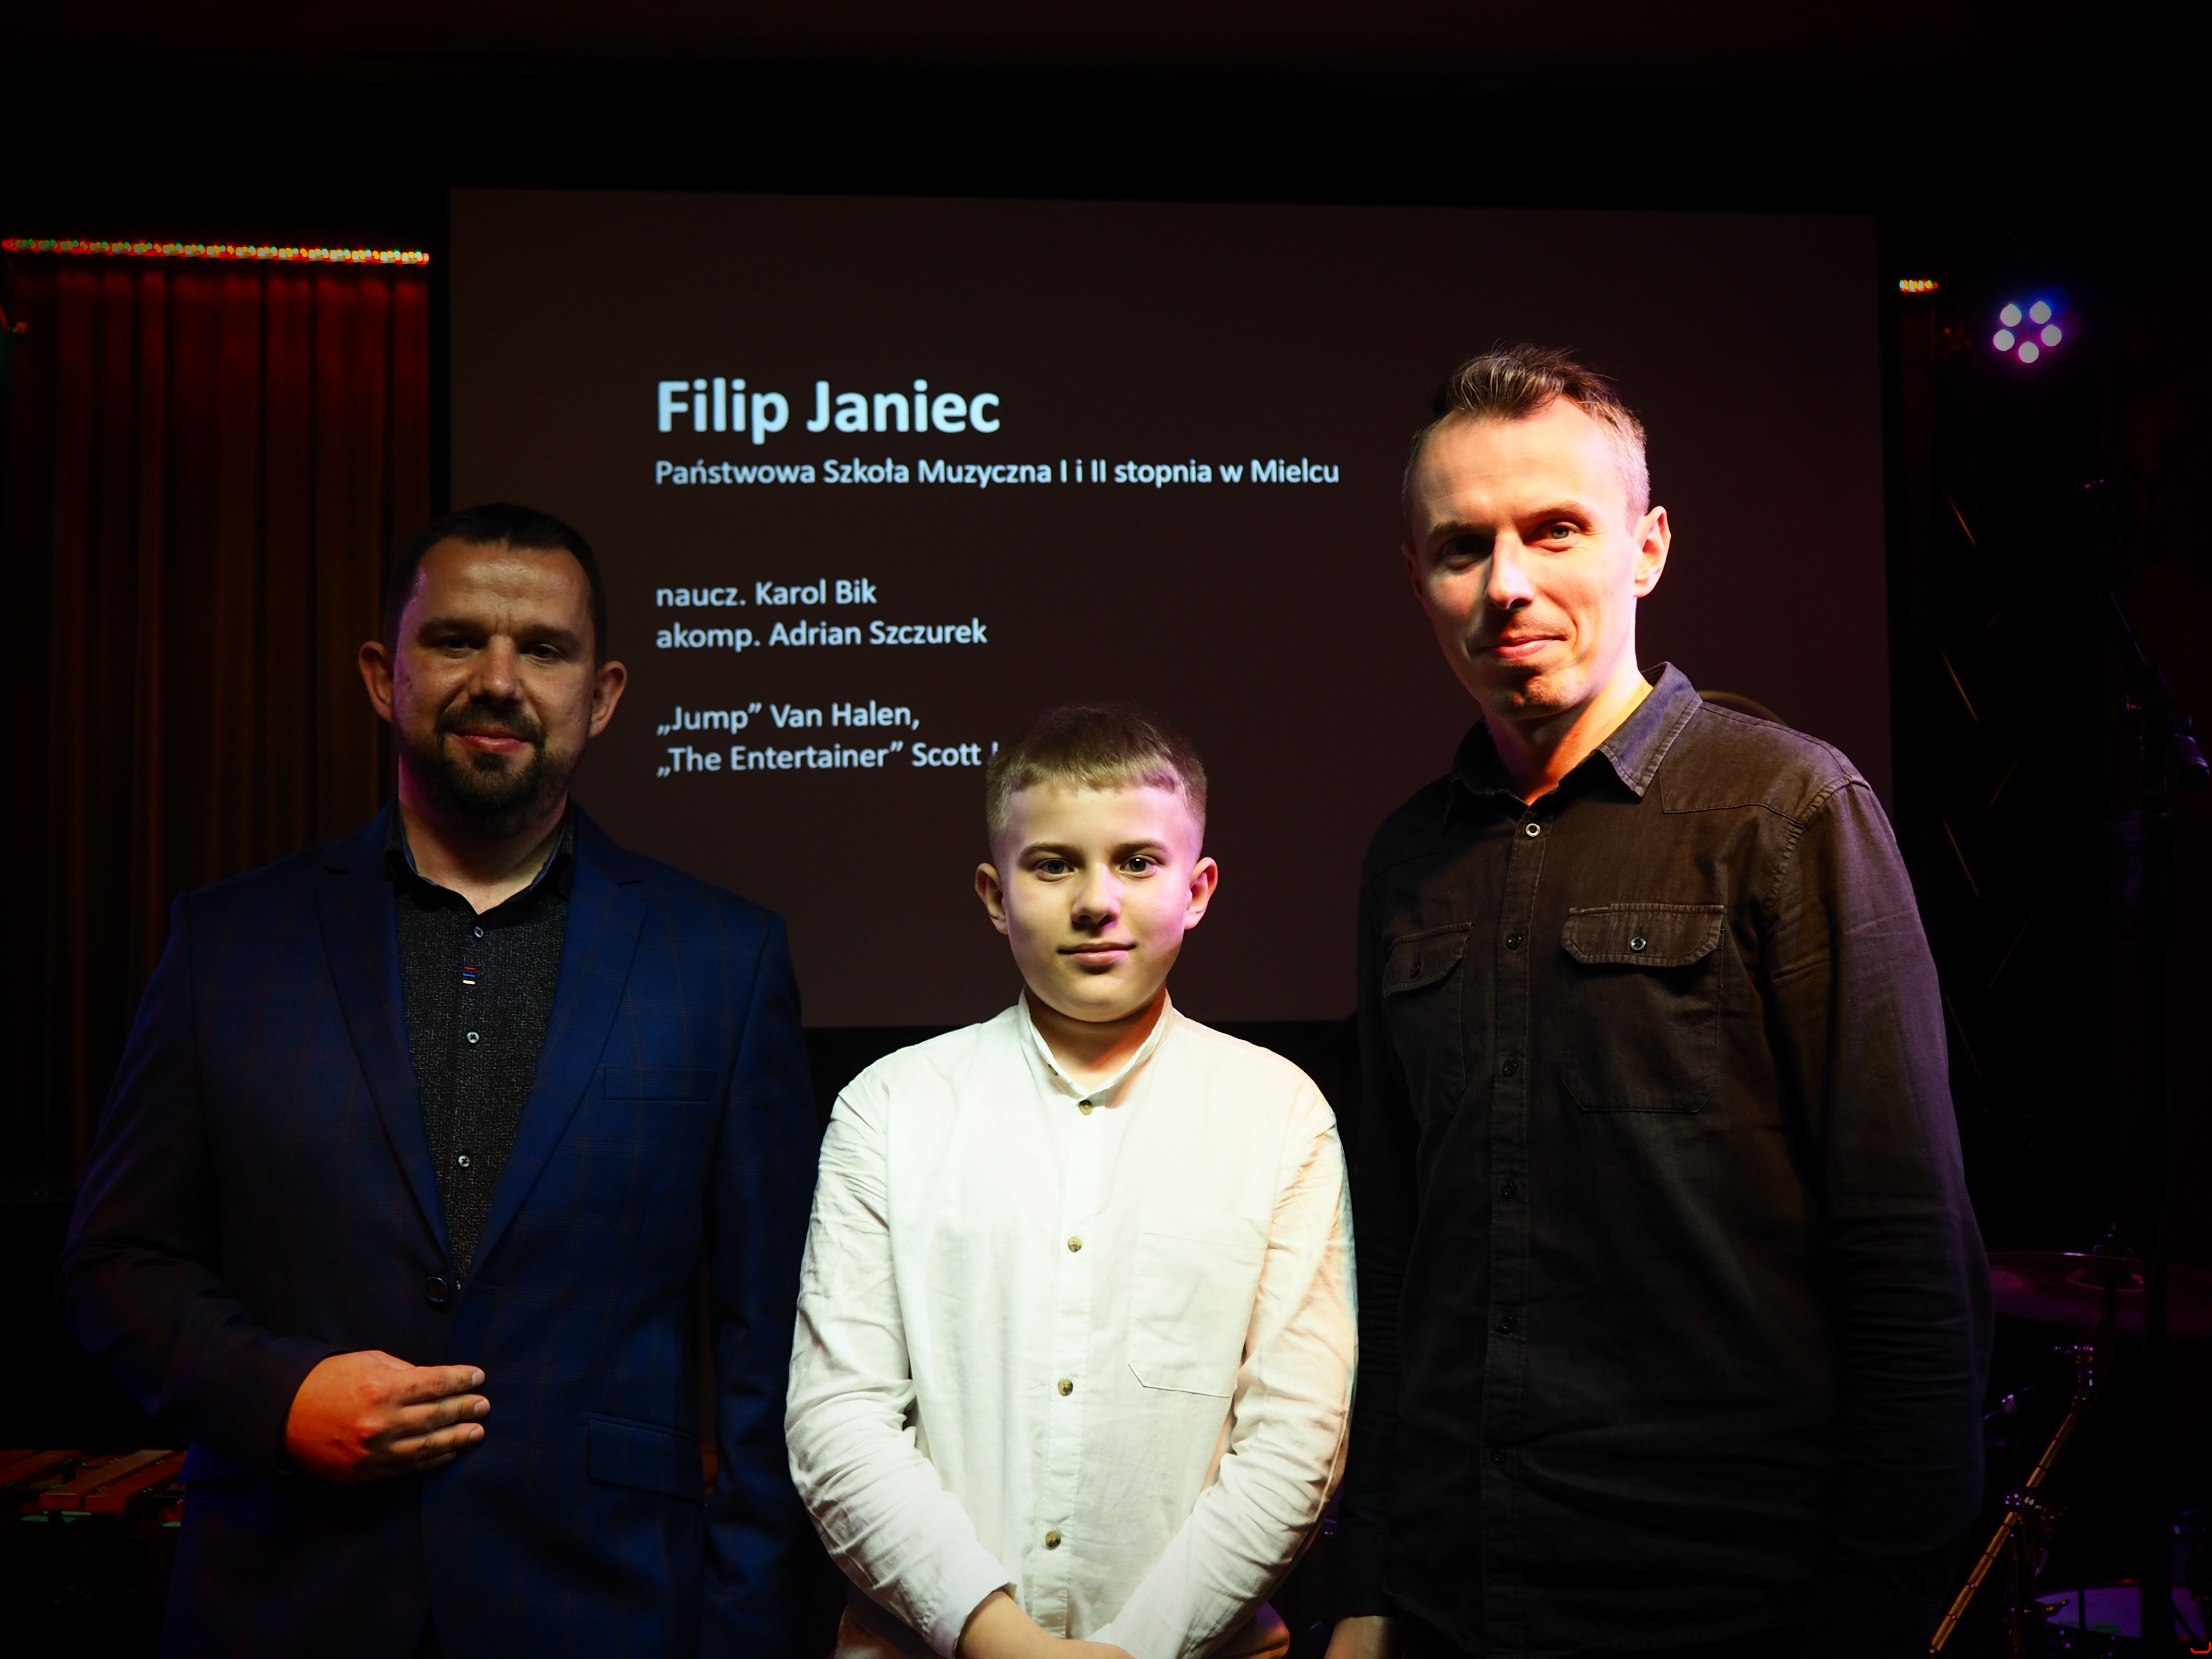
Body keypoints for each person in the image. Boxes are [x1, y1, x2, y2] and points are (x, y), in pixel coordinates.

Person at [60, 504, 819, 1657]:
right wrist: (278, 1397)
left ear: (603, 695)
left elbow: (773, 1347)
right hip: (284, 1605)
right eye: (458, 639)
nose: (499, 680)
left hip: (610, 1613)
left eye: (544, 649)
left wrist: (750, 1638)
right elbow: (115, 1262)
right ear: (384, 675)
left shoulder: (724, 961)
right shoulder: (230, 944)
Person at [1325, 349, 1990, 1659]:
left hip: (1729, 1607)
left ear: (1648, 548)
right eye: (1462, 548)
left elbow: (1911, 1258)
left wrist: (1875, 1608)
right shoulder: (1405, 862)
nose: (1506, 584)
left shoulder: (1790, 811)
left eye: (1554, 530)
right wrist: (1370, 1579)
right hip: (1456, 1599)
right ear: (1418, 582)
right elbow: (1398, 1258)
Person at [786, 706, 1357, 1659]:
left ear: (1197, 889)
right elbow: (839, 1423)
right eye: (1053, 865)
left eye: (1137, 862)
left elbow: (1296, 1441)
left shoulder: (1279, 1114)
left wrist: (1139, 1649)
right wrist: (1002, 1640)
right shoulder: (889, 1108)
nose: (1097, 901)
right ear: (995, 893)